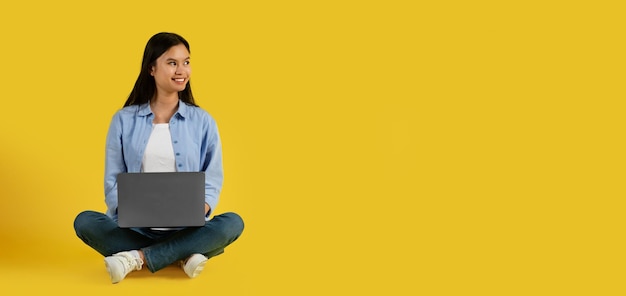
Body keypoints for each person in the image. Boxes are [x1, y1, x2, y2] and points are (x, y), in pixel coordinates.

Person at [73, 32, 244, 284]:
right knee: (85, 221)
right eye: (172, 62)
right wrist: (128, 210)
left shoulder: (203, 121)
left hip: (189, 227)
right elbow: (113, 178)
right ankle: (183, 254)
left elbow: (213, 177)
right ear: (151, 68)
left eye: (186, 62)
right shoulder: (123, 120)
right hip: (134, 228)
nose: (181, 70)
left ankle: (136, 257)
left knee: (232, 223)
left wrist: (202, 207)